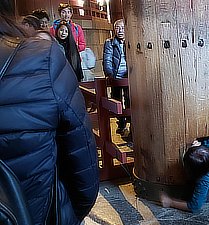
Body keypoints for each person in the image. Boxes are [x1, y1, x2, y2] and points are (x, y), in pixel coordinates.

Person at [0, 1, 99, 224]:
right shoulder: (42, 56)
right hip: (36, 211)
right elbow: (80, 149)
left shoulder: (64, 37)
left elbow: (78, 46)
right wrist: (68, 214)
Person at [160, 137, 209, 212]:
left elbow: (194, 206)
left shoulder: (203, 181)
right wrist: (200, 144)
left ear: (195, 173)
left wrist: (170, 202)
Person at [103, 19, 130, 135]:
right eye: (118, 28)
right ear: (114, 29)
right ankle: (121, 124)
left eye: (122, 28)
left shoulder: (130, 42)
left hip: (128, 77)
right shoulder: (110, 43)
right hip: (116, 77)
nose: (120, 30)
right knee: (117, 100)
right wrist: (109, 74)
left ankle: (131, 123)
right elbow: (107, 60)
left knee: (129, 100)